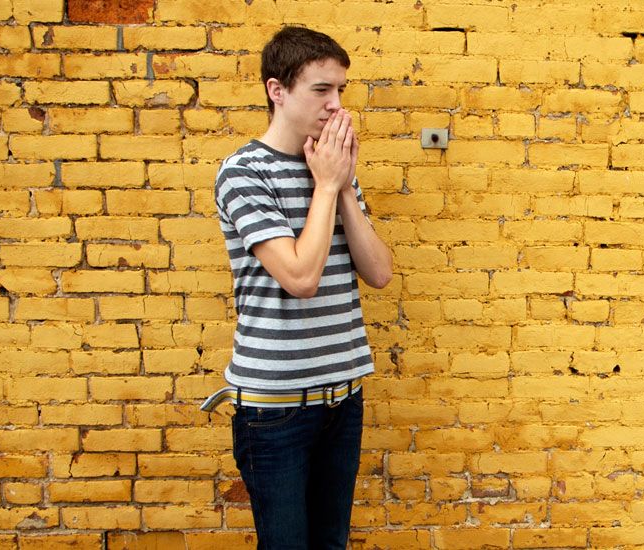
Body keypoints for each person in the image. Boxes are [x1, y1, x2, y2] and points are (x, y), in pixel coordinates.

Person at [200, 26, 393, 550]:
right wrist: (328, 186)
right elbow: (300, 277)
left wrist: (344, 185)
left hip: (343, 396)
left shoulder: (331, 168)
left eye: (341, 92)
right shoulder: (244, 172)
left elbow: (378, 272)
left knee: (331, 544)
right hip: (275, 409)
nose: (336, 106)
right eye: (320, 90)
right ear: (276, 90)